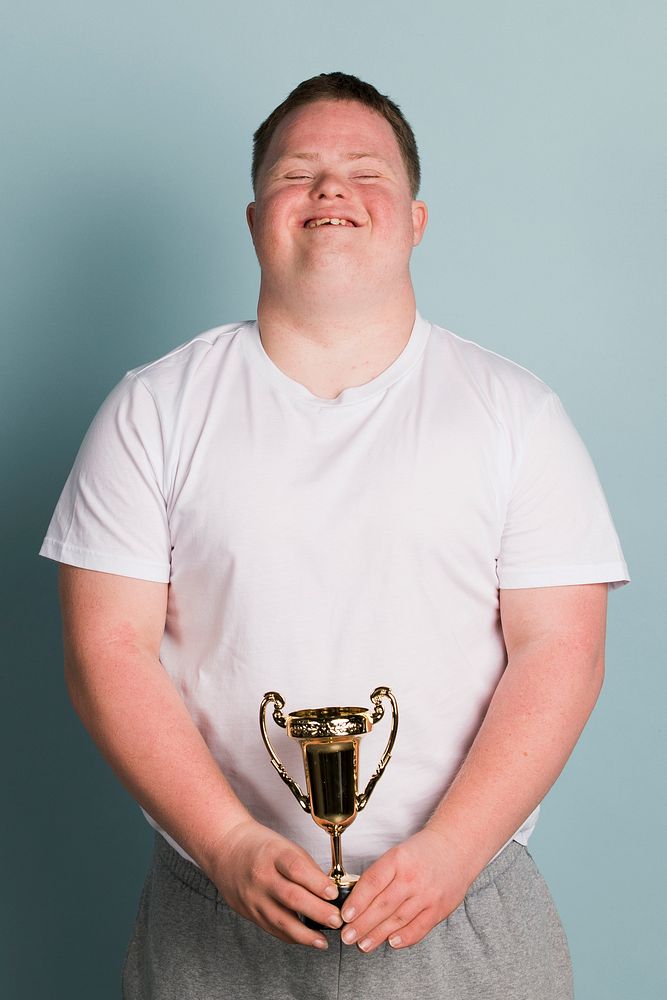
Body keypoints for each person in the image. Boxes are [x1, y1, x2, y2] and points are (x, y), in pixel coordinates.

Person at [40, 72, 629, 999]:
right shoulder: (151, 409)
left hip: (464, 908)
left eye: (365, 172)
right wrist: (228, 842)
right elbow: (104, 647)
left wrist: (452, 849)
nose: (328, 191)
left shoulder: (516, 414)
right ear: (253, 217)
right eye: (296, 172)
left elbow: (561, 651)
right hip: (215, 914)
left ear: (414, 219)